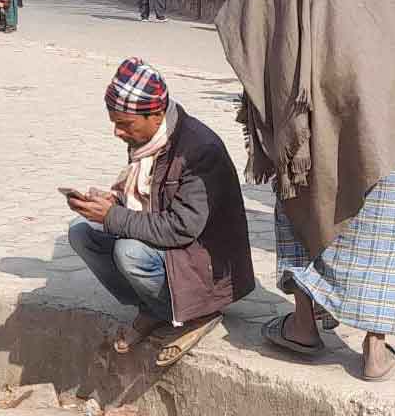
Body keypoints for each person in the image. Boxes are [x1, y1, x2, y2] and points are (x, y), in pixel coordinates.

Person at [218, 0, 395, 383]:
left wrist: (272, 85)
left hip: (313, 96)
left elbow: (252, 15)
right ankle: (376, 346)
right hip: (390, 97)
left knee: (302, 192)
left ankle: (305, 324)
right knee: (383, 216)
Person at [66, 58, 255, 366]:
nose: (117, 132)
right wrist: (114, 202)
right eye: (114, 122)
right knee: (81, 232)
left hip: (201, 264)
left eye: (124, 124)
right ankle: (155, 309)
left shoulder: (199, 150)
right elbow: (150, 200)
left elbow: (180, 228)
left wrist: (113, 216)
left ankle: (197, 312)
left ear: (155, 116)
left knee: (129, 253)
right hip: (172, 247)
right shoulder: (149, 139)